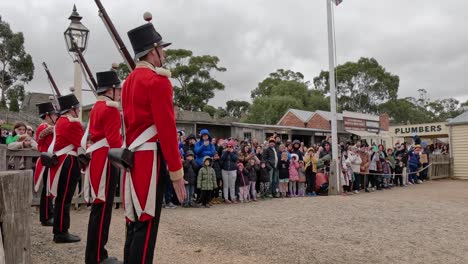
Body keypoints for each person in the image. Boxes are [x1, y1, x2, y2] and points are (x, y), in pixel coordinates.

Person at [122, 22, 186, 263]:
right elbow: (167, 129)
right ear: (152, 50)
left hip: (135, 154)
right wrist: (176, 171)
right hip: (149, 156)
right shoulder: (157, 80)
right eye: (162, 48)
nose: (164, 53)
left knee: (135, 220)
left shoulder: (128, 81)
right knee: (147, 222)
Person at [83, 71, 123, 264]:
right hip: (107, 158)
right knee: (103, 209)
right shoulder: (110, 109)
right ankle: (98, 257)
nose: (121, 93)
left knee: (99, 209)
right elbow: (115, 140)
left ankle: (94, 254)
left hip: (99, 158)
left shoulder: (97, 107)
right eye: (119, 89)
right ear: (110, 89)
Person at [47, 94, 83, 243]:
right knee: (65, 199)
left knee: (62, 198)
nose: (79, 111)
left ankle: (60, 230)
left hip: (63, 160)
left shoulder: (61, 121)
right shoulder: (72, 123)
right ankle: (61, 232)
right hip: (68, 161)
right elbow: (81, 143)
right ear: (72, 109)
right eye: (78, 108)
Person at [33, 102, 58, 227]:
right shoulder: (44, 127)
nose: (56, 117)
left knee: (49, 188)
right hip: (47, 159)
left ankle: (49, 214)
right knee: (47, 189)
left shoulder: (50, 126)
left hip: (49, 159)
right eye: (54, 114)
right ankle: (47, 216)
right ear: (48, 116)